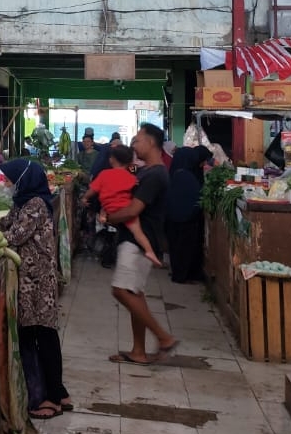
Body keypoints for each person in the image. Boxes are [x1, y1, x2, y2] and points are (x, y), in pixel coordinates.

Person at [0, 158, 69, 419]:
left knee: (42, 335)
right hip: (31, 279)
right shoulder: (24, 203)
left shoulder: (36, 205)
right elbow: (6, 224)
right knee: (42, 334)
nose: (8, 184)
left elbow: (15, 236)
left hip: (37, 282)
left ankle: (50, 399)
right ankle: (58, 392)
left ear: (24, 180)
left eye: (12, 180)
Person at [107, 123, 180, 365]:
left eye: (137, 140)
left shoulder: (156, 174)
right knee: (134, 293)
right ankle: (138, 351)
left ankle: (163, 337)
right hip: (135, 239)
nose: (134, 145)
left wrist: (111, 217)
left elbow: (134, 209)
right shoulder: (147, 170)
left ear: (150, 143)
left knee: (121, 290)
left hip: (139, 241)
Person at [84, 145, 161, 267]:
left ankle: (104, 221)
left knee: (103, 213)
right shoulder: (132, 177)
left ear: (111, 159)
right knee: (138, 232)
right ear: (130, 161)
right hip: (126, 211)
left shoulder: (104, 174)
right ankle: (150, 252)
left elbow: (92, 190)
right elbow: (135, 189)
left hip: (109, 210)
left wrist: (84, 198)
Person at [166, 146, 208, 284]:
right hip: (187, 219)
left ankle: (178, 272)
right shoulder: (188, 176)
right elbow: (195, 198)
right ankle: (182, 274)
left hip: (172, 218)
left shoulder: (173, 172)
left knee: (176, 245)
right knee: (185, 247)